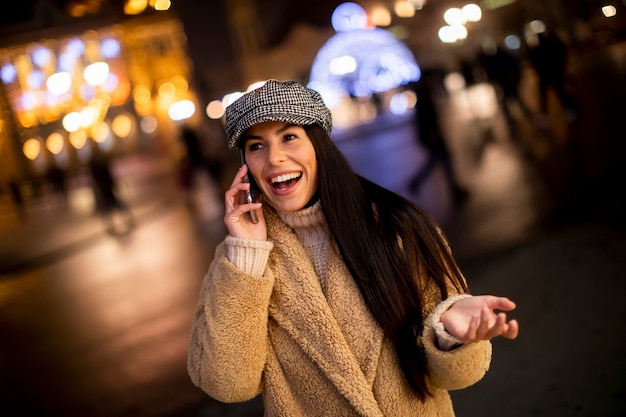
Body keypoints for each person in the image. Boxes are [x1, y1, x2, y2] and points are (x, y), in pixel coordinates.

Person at [187, 80, 519, 416]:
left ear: (320, 145)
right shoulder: (240, 261)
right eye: (256, 146)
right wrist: (247, 255)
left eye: (289, 137)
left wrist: (449, 333)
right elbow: (227, 384)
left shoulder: (397, 226)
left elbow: (457, 375)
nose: (274, 158)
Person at [408, 70, 468, 204]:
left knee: (437, 161)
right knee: (442, 161)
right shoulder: (424, 94)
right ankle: (454, 190)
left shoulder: (424, 93)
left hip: (432, 134)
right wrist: (432, 133)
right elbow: (426, 117)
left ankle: (417, 182)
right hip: (432, 135)